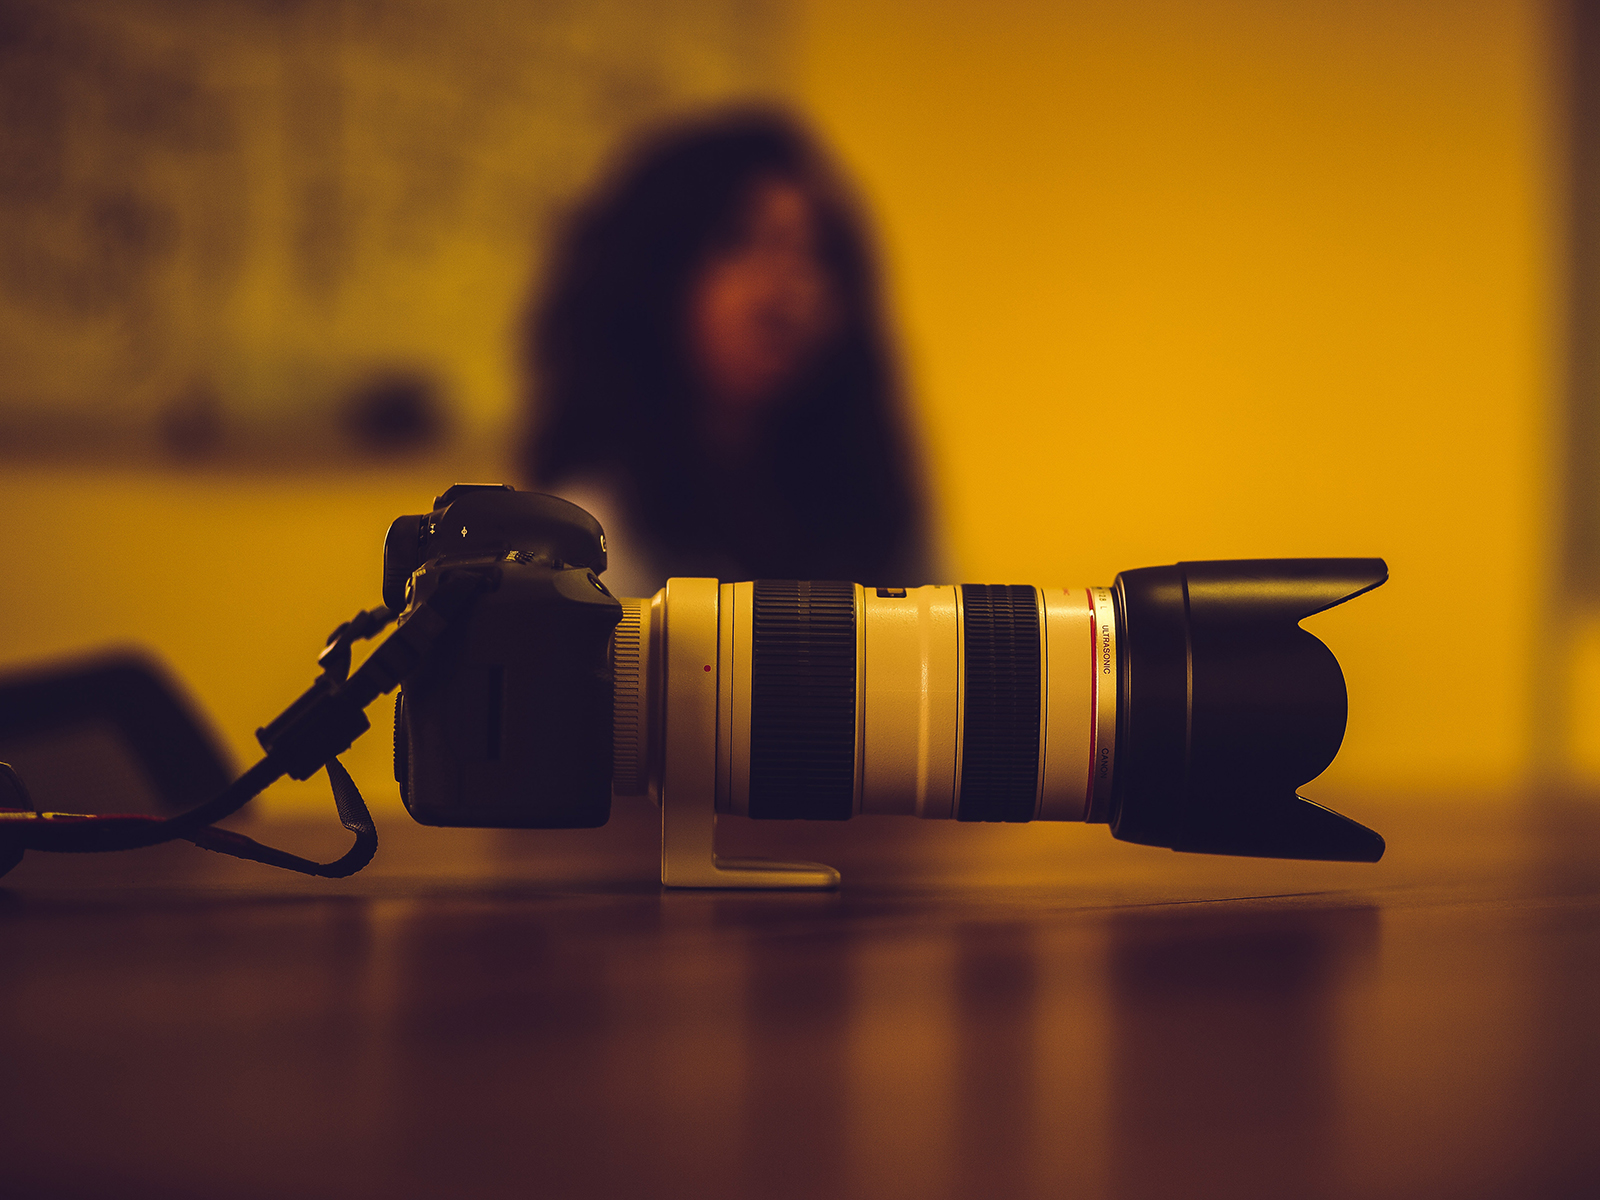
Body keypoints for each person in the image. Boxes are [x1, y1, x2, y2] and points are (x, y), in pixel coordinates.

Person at [523, 108, 934, 598]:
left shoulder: (878, 516)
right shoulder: (586, 534)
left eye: (816, 252)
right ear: (654, 269)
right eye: (740, 241)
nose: (786, 290)